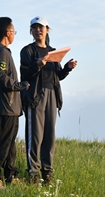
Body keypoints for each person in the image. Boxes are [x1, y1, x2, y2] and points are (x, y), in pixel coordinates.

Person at [20, 16, 77, 183]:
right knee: (35, 136)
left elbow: (57, 76)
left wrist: (67, 68)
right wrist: (37, 64)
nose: (38, 30)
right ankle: (33, 173)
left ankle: (47, 172)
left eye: (41, 27)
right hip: (35, 97)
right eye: (35, 28)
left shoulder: (53, 51)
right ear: (31, 31)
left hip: (52, 95)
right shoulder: (27, 51)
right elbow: (24, 74)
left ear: (47, 30)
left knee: (50, 136)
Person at [0, 17, 29, 188]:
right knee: (1, 143)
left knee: (10, 143)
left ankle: (10, 176)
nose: (14, 35)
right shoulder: (2, 53)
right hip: (5, 106)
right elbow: (0, 77)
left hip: (10, 108)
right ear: (7, 33)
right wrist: (19, 86)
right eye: (13, 31)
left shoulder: (2, 51)